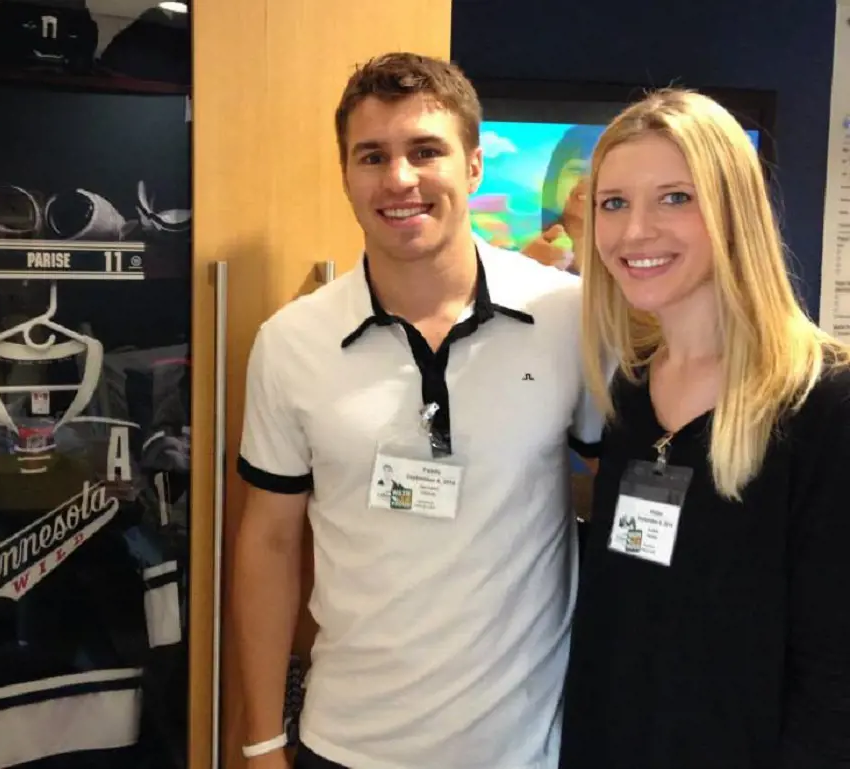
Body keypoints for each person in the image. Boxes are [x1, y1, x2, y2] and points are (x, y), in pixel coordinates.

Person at [230, 52, 604, 769]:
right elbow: (269, 543)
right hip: (346, 743)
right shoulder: (290, 344)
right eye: (372, 155)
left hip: (527, 748)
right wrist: (261, 738)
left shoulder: (567, 318)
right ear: (346, 174)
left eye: (425, 151)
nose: (398, 178)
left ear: (472, 165)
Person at [559, 87, 850, 768]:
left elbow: (836, 676)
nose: (635, 232)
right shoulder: (627, 394)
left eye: (675, 197)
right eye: (614, 203)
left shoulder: (824, 405)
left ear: (733, 211)